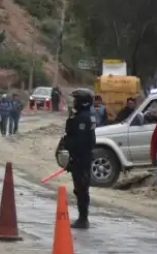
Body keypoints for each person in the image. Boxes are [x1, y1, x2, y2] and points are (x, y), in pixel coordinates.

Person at [63, 89, 96, 229]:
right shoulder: (84, 115)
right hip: (83, 158)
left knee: (81, 188)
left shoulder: (83, 118)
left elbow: (80, 141)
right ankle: (82, 217)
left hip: (81, 159)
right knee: (81, 188)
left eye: (75, 99)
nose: (73, 102)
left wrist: (74, 158)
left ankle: (83, 219)